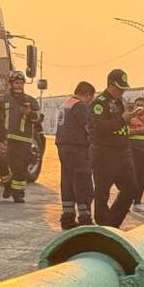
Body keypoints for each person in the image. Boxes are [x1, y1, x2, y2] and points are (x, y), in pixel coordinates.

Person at [89, 69, 142, 227]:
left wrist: (129, 117)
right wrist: (122, 119)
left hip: (123, 152)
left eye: (124, 88)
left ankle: (112, 222)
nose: (122, 92)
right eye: (120, 88)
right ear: (111, 85)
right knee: (102, 192)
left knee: (131, 188)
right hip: (105, 153)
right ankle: (103, 223)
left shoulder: (119, 102)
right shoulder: (99, 103)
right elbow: (97, 127)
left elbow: (121, 124)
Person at [0, 71, 42, 203]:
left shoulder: (30, 101)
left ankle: (18, 194)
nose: (19, 86)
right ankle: (8, 186)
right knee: (0, 163)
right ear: (10, 84)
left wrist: (30, 113)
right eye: (16, 83)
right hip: (5, 139)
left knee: (20, 168)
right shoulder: (2, 100)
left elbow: (39, 118)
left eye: (21, 83)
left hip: (23, 140)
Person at [55, 81, 96, 229]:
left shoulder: (66, 103)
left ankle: (68, 217)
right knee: (82, 182)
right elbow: (89, 127)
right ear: (87, 94)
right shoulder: (80, 105)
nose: (90, 102)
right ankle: (85, 218)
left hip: (63, 147)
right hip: (77, 148)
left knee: (67, 181)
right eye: (91, 99)